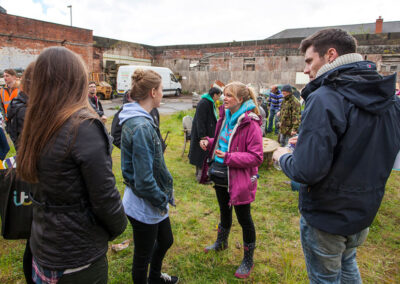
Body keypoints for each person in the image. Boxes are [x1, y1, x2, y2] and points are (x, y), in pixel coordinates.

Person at [273, 28, 400, 283]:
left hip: (327, 217)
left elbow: (306, 170)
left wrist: (283, 155)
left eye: (309, 61)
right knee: (348, 264)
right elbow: (365, 145)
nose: (306, 70)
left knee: (326, 278)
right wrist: (311, 143)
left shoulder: (325, 97)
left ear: (331, 55)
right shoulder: (387, 97)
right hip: (362, 212)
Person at [16, 47, 127, 284]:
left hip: (44, 247)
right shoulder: (82, 126)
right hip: (76, 255)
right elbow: (105, 196)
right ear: (76, 81)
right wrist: (119, 225)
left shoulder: (37, 122)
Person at [119, 69, 178, 284]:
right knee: (142, 256)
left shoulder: (140, 118)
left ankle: (155, 279)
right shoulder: (141, 125)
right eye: (161, 89)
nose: (163, 93)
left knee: (165, 240)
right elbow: (143, 180)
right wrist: (162, 199)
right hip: (144, 203)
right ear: (153, 92)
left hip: (150, 199)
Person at [199, 82, 263, 279]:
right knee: (223, 211)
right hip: (220, 173)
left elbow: (256, 157)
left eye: (229, 95)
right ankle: (221, 242)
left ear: (240, 100)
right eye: (224, 94)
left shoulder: (250, 123)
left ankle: (248, 259)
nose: (224, 98)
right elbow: (223, 140)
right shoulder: (224, 116)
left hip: (239, 177)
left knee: (245, 219)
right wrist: (209, 142)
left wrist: (228, 157)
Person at [6, 61, 35, 284]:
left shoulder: (18, 103)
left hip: (27, 163)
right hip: (32, 168)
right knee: (34, 234)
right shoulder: (26, 108)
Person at [189, 87, 222, 181]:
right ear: (214, 95)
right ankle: (201, 177)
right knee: (201, 155)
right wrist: (202, 136)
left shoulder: (208, 102)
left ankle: (202, 174)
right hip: (202, 134)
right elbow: (200, 120)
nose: (219, 98)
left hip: (206, 132)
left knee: (203, 154)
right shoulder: (204, 103)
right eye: (219, 96)